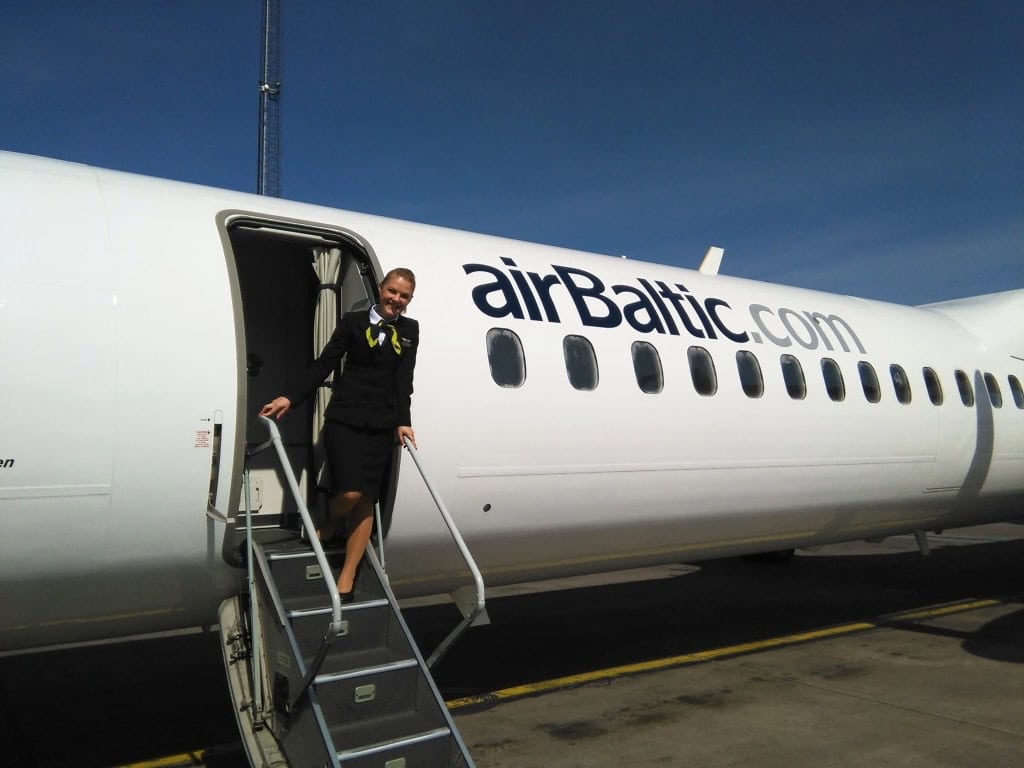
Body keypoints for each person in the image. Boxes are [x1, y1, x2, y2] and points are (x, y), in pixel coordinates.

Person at [260, 268, 418, 603]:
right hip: (345, 419)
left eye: (404, 296)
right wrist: (291, 396)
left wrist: (402, 421)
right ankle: (331, 522)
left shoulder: (410, 330)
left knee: (366, 499)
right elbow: (325, 363)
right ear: (381, 288)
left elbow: (404, 380)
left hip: (381, 425)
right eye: (392, 292)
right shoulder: (352, 322)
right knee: (349, 493)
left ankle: (347, 576)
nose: (396, 300)